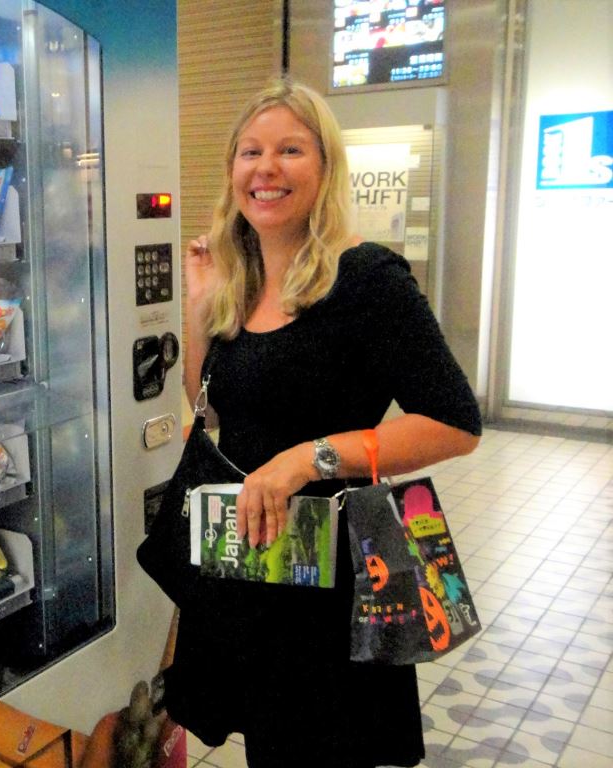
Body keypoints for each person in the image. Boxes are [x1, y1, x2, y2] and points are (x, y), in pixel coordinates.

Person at [163, 78, 482, 767]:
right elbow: (209, 405)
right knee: (270, 748)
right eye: (250, 152)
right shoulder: (242, 279)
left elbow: (456, 423)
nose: (265, 169)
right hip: (250, 563)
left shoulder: (367, 280)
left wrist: (309, 458)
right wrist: (199, 305)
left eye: (290, 150)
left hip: (332, 578)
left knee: (318, 749)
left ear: (326, 167)